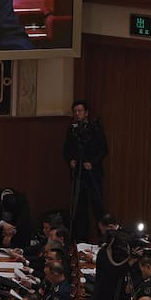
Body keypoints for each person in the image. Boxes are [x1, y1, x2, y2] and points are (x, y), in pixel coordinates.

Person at [63, 100, 109, 242]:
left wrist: (92, 163)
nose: (77, 114)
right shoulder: (72, 129)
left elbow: (103, 150)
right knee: (79, 209)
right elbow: (66, 150)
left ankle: (104, 238)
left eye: (80, 111)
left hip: (93, 174)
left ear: (86, 113)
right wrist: (70, 160)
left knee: (97, 207)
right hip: (78, 174)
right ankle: (80, 240)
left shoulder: (95, 128)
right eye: (75, 111)